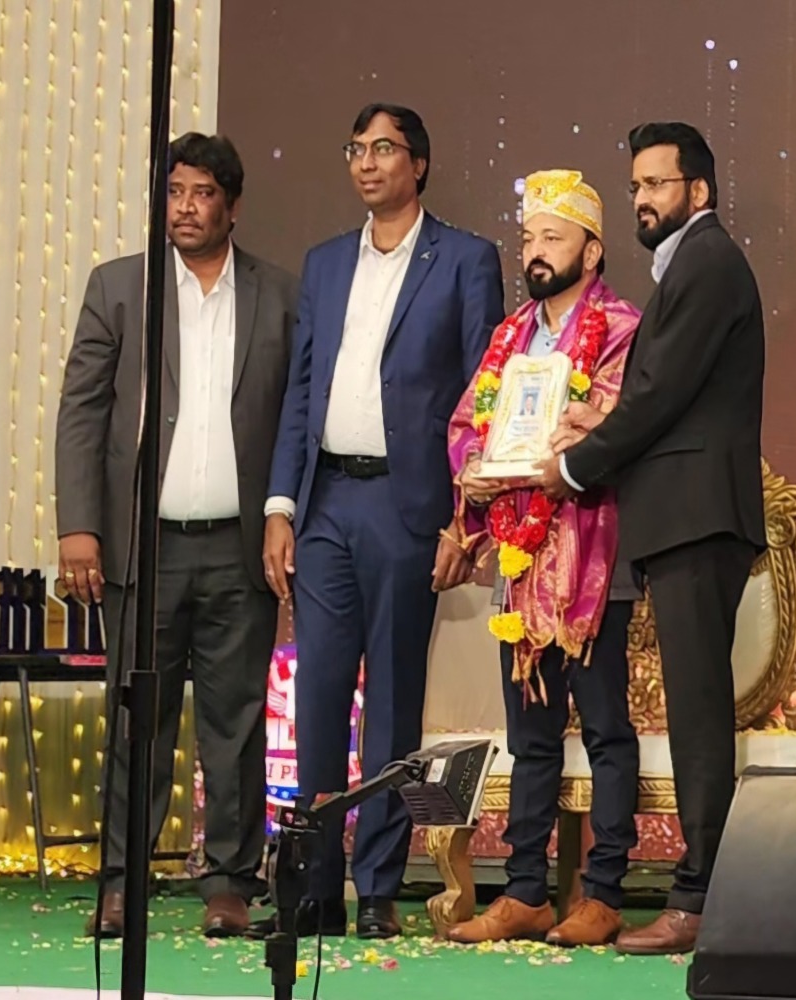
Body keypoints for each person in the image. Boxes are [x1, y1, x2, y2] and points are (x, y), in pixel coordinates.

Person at [263, 103, 505, 940]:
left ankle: (377, 889)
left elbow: (482, 394)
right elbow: (301, 392)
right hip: (327, 501)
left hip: (409, 506)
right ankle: (314, 888)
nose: (366, 163)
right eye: (355, 149)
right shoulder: (326, 263)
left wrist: (464, 519)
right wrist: (282, 506)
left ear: (419, 163)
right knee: (320, 697)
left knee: (395, 706)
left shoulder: (465, 259)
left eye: (383, 149)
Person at [55, 133, 296, 938]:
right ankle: (122, 882)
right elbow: (82, 412)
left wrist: (284, 515)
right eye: (175, 192)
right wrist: (80, 527)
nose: (186, 208)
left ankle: (228, 882)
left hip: (238, 548)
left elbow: (293, 419)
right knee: (138, 721)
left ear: (233, 204)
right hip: (143, 550)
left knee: (236, 726)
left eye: (202, 193)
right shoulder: (121, 287)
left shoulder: (279, 295)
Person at [533, 123, 766, 955]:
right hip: (683, 515)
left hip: (698, 516)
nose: (641, 198)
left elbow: (661, 393)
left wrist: (576, 465)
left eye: (657, 184)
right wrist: (601, 422)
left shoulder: (706, 261)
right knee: (695, 706)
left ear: (697, 191)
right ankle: (701, 893)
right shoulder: (689, 264)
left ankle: (700, 899)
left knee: (698, 713)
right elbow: (667, 396)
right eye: (634, 185)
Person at [443, 170, 642, 946]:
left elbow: (622, 421)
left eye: (553, 238)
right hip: (523, 563)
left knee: (606, 730)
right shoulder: (509, 339)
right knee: (530, 735)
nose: (536, 251)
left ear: (591, 252)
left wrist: (574, 437)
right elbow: (470, 420)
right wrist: (473, 462)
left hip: (595, 553)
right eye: (529, 237)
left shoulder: (623, 328)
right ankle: (525, 890)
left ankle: (604, 891)